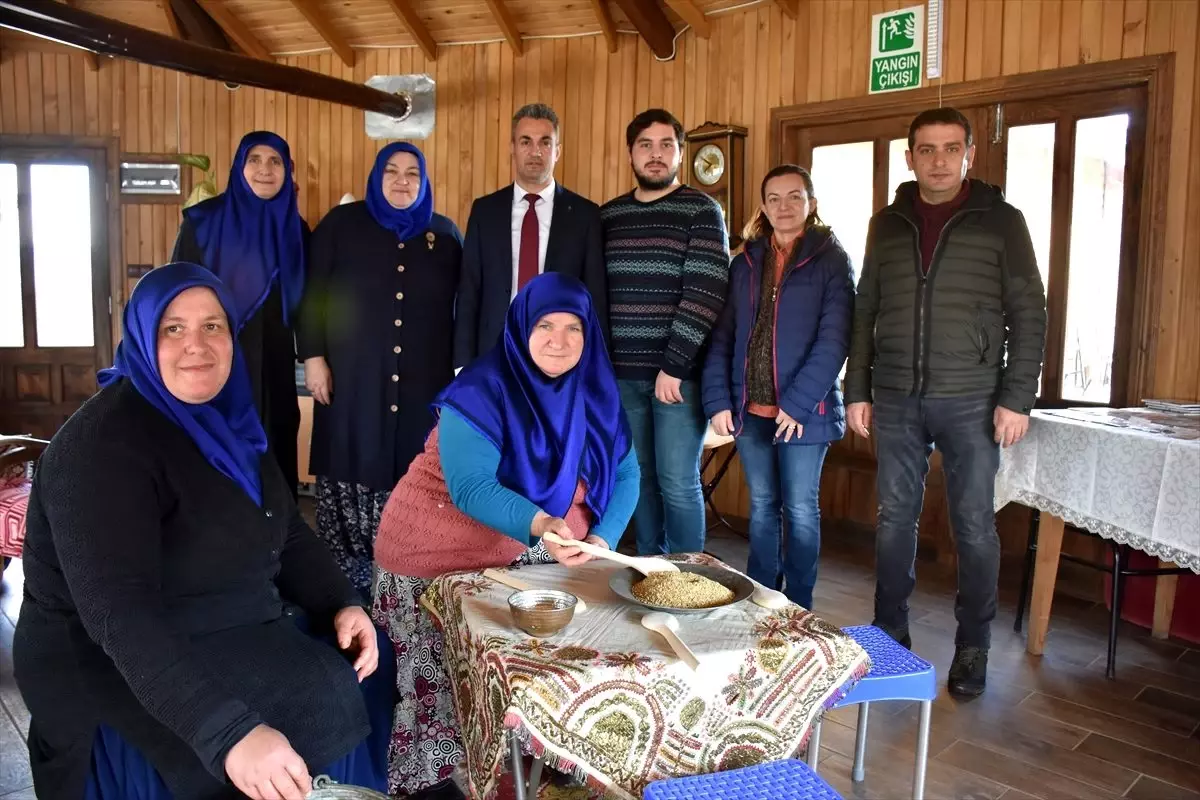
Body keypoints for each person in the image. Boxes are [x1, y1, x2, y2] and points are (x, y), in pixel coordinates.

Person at [12, 263, 390, 800]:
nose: (198, 344)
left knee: (353, 668)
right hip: (103, 657)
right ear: (143, 337)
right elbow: (120, 616)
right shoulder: (99, 447)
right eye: (174, 328)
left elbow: (286, 530)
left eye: (213, 325)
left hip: (214, 615)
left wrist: (341, 601)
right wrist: (230, 734)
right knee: (277, 716)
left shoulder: (228, 419)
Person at [371, 272, 639, 798]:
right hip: (432, 561)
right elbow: (470, 487)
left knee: (525, 690)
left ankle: (524, 779)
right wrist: (542, 525)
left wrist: (603, 541)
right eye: (545, 325)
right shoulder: (480, 390)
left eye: (573, 328)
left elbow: (627, 473)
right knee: (442, 704)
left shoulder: (596, 392)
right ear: (520, 327)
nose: (559, 341)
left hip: (525, 564)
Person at [845, 107, 1047, 697]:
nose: (938, 160)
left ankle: (973, 646)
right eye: (926, 149)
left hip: (974, 399)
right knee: (893, 521)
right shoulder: (886, 223)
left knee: (974, 525)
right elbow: (866, 311)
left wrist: (1017, 397)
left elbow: (1029, 313)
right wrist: (857, 388)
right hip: (898, 397)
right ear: (909, 156)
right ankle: (888, 634)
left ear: (969, 154)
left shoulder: (1003, 222)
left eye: (950, 148)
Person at [297, 142, 462, 593]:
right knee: (352, 460)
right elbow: (313, 295)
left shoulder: (444, 235)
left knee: (414, 472)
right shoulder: (340, 226)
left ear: (425, 180)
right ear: (376, 176)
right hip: (352, 381)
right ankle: (346, 596)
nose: (402, 180)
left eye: (412, 172)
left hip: (422, 386)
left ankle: (405, 585)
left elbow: (462, 308)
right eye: (392, 171)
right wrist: (313, 357)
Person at [702, 165, 854, 610]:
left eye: (794, 197)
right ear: (763, 206)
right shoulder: (746, 260)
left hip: (806, 414)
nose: (784, 207)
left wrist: (799, 402)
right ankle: (762, 597)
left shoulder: (830, 258)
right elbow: (723, 335)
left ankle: (798, 605)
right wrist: (718, 399)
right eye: (774, 198)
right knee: (763, 506)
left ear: (811, 202)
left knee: (802, 511)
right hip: (750, 410)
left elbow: (835, 339)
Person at [602, 108, 730, 556]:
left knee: (678, 482)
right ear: (631, 154)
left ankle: (691, 579)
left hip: (677, 379)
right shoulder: (609, 217)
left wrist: (674, 365)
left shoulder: (701, 210)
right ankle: (650, 573)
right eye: (645, 146)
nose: (656, 155)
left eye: (666, 146)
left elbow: (706, 292)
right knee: (640, 480)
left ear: (680, 152)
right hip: (620, 376)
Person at [172, 131, 307, 497]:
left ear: (287, 171)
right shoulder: (202, 222)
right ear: (239, 166)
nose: (265, 169)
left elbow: (311, 303)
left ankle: (277, 538)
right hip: (216, 362)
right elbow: (175, 296)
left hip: (277, 368)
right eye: (255, 160)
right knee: (218, 452)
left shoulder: (296, 230)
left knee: (276, 450)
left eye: (275, 161)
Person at [453, 103, 608, 369]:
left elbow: (594, 296)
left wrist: (595, 365)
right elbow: (469, 290)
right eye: (526, 141)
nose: (535, 151)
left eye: (545, 142)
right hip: (495, 351)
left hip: (560, 355)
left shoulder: (585, 215)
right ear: (512, 147)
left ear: (558, 151)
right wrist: (462, 364)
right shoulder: (485, 211)